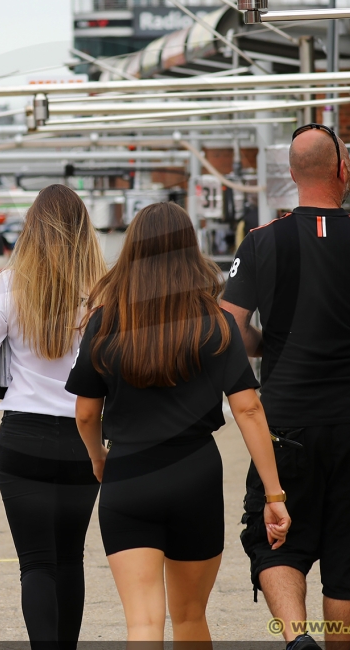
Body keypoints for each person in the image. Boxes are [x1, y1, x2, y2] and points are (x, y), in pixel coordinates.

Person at [220, 123, 350, 650]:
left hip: (286, 422)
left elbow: (226, 327)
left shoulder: (261, 243)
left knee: (274, 538)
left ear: (291, 176)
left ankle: (297, 640)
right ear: (344, 171)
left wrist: (263, 346)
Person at [66, 201, 291, 643]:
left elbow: (87, 412)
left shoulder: (103, 323)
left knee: (143, 623)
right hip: (195, 474)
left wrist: (98, 458)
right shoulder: (218, 323)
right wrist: (274, 493)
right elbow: (248, 409)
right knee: (189, 617)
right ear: (190, 252)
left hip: (128, 474)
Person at [0, 184, 106, 649]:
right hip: (83, 439)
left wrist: (14, 365)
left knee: (36, 563)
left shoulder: (9, 283)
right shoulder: (101, 290)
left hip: (23, 435)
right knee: (71, 558)